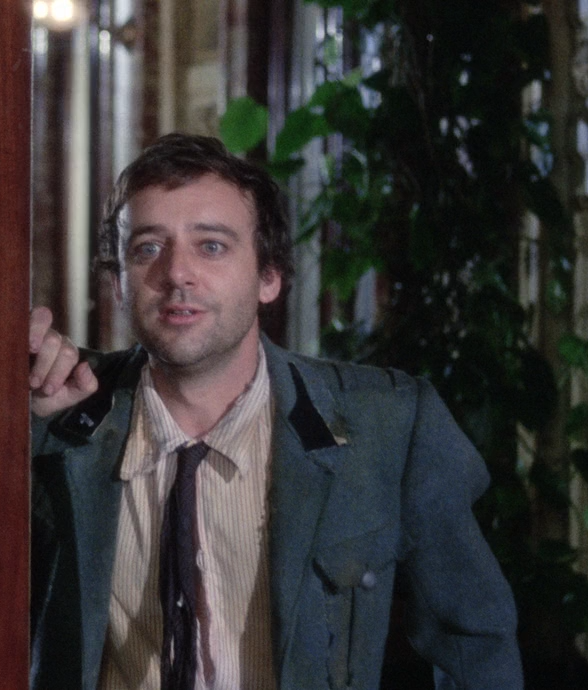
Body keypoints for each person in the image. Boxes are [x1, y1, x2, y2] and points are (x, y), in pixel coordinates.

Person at [28, 133, 521, 689]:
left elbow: (475, 644)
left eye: (211, 246)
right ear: (119, 283)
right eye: (147, 249)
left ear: (269, 277)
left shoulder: (388, 424)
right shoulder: (59, 413)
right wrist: (8, 415)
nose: (177, 273)